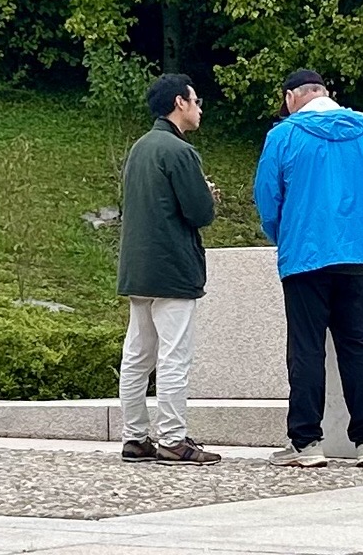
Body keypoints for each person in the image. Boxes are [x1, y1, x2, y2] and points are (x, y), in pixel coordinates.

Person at [254, 69, 363, 468]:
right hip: (360, 253)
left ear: (290, 97)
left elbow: (268, 197)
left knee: (306, 348)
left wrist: (284, 235)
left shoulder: (283, 136)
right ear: (325, 93)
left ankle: (307, 442)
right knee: (357, 348)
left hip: (306, 254)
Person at [116, 73, 221, 466]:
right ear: (180, 102)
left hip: (137, 268)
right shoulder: (179, 152)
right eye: (195, 101)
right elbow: (199, 212)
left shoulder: (140, 148)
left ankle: (135, 436)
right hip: (173, 267)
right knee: (174, 357)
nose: (199, 108)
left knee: (137, 355)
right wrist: (207, 193)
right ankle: (174, 439)